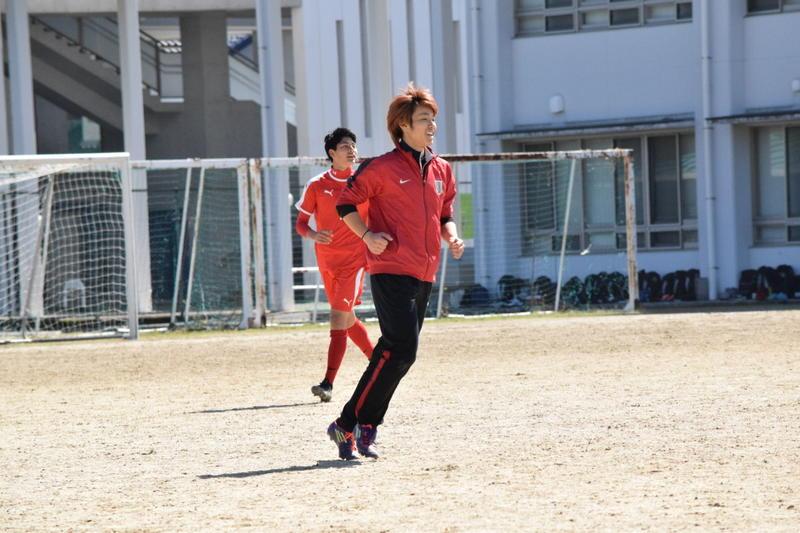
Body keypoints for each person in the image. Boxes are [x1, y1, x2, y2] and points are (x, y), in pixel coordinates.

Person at [327, 83, 464, 460]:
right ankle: (358, 425)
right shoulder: (381, 168)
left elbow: (445, 215)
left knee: (396, 352)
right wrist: (367, 235)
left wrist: (452, 236)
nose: (432, 125)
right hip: (390, 268)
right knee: (402, 347)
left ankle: (353, 425)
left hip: (424, 272)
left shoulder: (442, 169)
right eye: (423, 119)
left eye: (433, 119)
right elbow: (346, 203)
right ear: (403, 125)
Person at [294, 127, 374, 402]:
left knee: (338, 317)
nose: (352, 150)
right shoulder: (317, 185)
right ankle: (378, 362)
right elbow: (301, 224)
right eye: (345, 146)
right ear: (332, 153)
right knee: (347, 319)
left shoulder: (364, 182)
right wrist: (313, 234)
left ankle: (327, 383)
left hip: (355, 261)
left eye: (353, 145)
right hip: (327, 262)